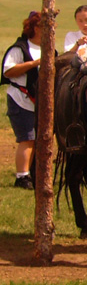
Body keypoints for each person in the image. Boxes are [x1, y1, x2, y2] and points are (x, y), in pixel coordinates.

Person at [3, 12, 43, 190]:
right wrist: (34, 64)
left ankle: (32, 172)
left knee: (36, 140)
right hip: (21, 99)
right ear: (35, 28)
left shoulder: (48, 48)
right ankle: (21, 177)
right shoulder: (19, 48)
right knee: (27, 139)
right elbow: (8, 71)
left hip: (39, 102)